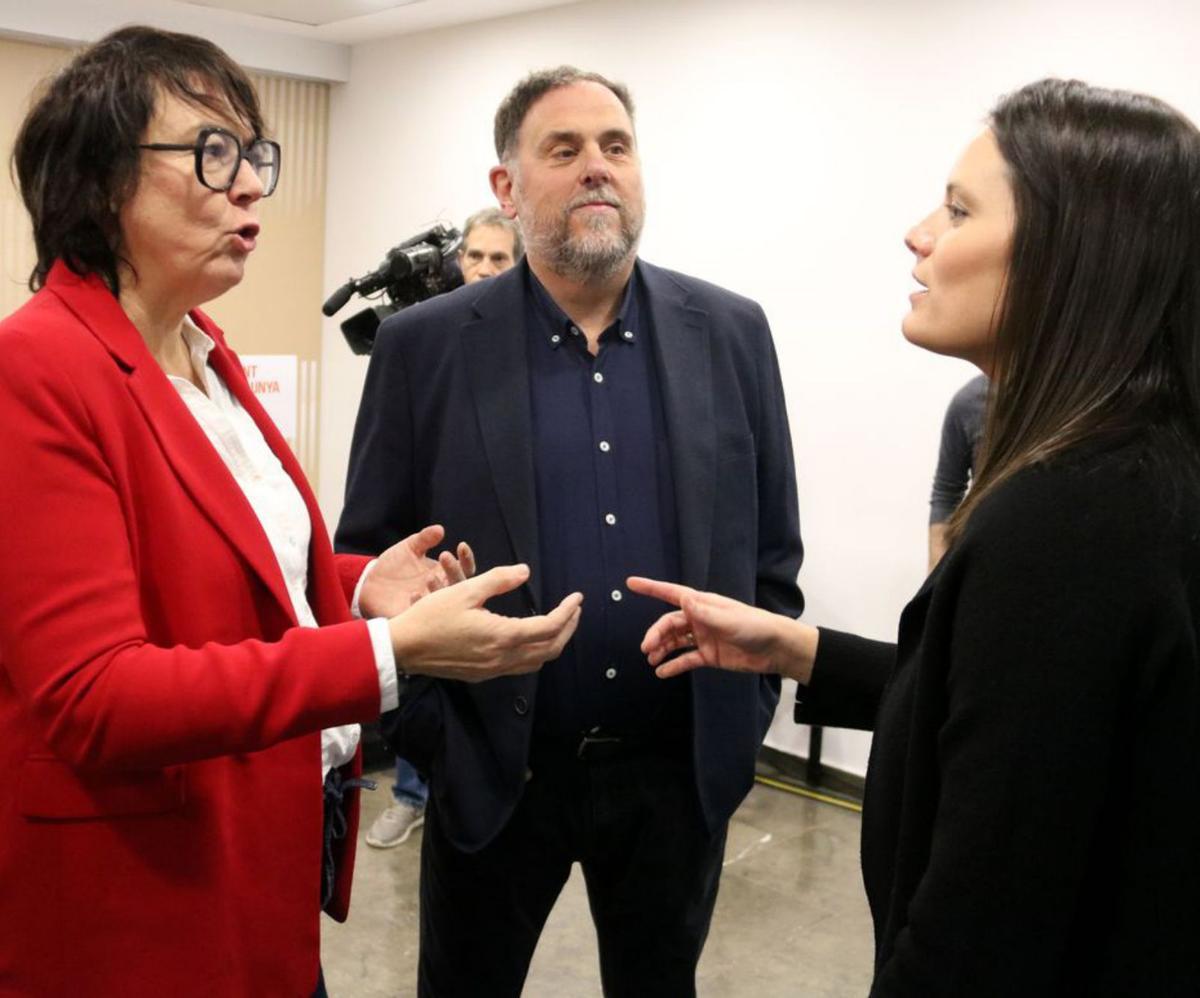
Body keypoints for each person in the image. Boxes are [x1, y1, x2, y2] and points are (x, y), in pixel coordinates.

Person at [0, 27, 580, 997]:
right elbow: (94, 693)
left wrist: (354, 589)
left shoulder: (205, 354)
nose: (249, 184)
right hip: (135, 910)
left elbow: (217, 574)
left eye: (254, 153)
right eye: (209, 152)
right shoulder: (36, 368)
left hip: (255, 876)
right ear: (99, 181)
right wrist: (388, 655)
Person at [630, 77, 1200, 995]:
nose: (919, 232)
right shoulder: (1138, 470)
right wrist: (801, 649)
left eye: (959, 208)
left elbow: (978, 932)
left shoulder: (1068, 520)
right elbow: (1017, 714)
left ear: (1073, 255)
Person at [337, 66, 803, 996]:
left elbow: (772, 557)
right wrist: (433, 733)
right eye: (565, 149)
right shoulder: (424, 346)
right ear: (506, 189)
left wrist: (735, 727)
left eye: (616, 146)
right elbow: (370, 560)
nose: (598, 168)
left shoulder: (732, 333)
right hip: (498, 773)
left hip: (673, 778)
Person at [366, 205, 524, 850]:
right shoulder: (422, 344)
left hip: (499, 565)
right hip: (428, 560)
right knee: (426, 677)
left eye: (498, 258)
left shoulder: (527, 355)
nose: (484, 269)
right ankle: (411, 793)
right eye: (475, 257)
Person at [927, 373, 988, 569]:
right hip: (990, 561)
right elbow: (946, 494)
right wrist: (935, 582)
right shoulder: (970, 401)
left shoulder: (1077, 393)